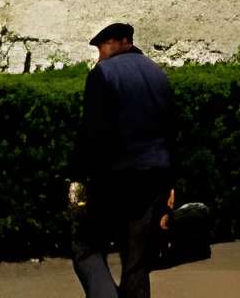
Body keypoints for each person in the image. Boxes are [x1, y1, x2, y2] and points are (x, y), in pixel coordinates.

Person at [69, 22, 176, 298]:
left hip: (115, 177)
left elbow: (92, 130)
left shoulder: (103, 74)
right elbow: (172, 130)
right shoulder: (157, 73)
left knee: (86, 244)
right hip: (154, 178)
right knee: (136, 258)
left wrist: (78, 177)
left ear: (119, 42)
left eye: (102, 47)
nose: (100, 55)